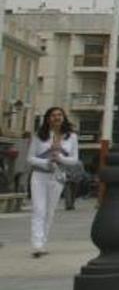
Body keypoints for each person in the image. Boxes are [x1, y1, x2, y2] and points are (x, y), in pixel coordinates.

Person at [27, 107, 78, 257]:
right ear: (48, 118)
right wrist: (46, 162)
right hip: (39, 176)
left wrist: (60, 158)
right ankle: (37, 245)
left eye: (59, 115)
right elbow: (30, 158)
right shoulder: (39, 136)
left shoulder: (71, 137)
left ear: (64, 117)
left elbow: (74, 160)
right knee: (38, 209)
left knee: (50, 211)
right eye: (53, 115)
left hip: (57, 177)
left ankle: (43, 241)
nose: (57, 117)